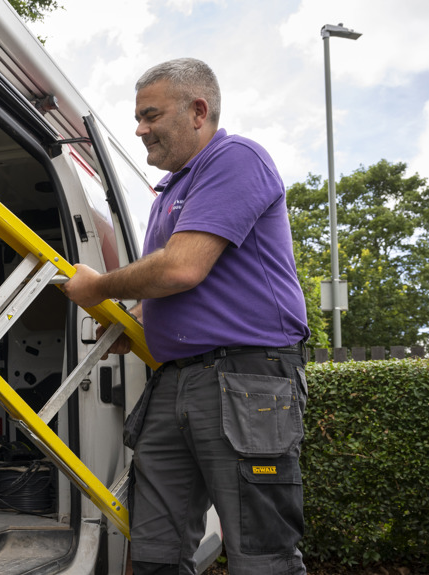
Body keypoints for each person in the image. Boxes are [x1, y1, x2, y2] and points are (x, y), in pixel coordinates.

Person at [62, 58, 310, 574]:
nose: (139, 129)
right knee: (155, 554)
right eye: (138, 117)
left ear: (198, 111)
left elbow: (180, 269)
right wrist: (134, 321)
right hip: (175, 380)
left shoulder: (236, 158)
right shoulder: (170, 192)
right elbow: (169, 286)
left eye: (150, 115)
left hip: (245, 380)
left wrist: (97, 288)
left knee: (262, 557)